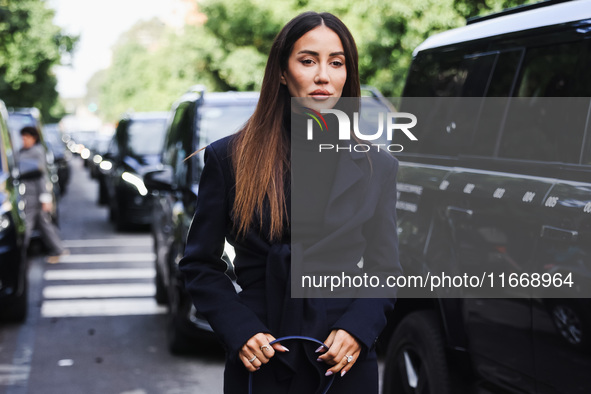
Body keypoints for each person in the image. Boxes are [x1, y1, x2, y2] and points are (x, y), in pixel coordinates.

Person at [179, 11, 401, 393]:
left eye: (336, 62)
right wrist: (240, 329)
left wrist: (357, 329)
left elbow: (387, 268)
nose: (323, 76)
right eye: (308, 60)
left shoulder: (376, 164)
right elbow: (199, 264)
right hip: (263, 349)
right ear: (282, 73)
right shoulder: (229, 158)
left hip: (342, 355)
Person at [19, 126, 67, 263]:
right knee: (43, 224)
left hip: (34, 196)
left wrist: (45, 198)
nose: (24, 140)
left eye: (26, 137)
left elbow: (41, 176)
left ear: (33, 137)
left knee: (27, 226)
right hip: (28, 194)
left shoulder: (36, 152)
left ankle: (19, 254)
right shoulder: (24, 151)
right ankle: (58, 249)